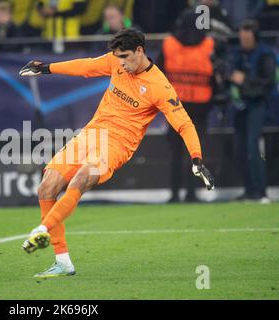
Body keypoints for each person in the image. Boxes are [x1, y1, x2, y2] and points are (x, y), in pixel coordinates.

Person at [19, 28, 215, 278]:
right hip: (91, 134)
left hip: (117, 144)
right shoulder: (116, 62)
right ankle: (63, 263)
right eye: (118, 57)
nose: (121, 63)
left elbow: (184, 124)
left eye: (125, 57)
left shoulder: (159, 86)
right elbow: (86, 67)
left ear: (140, 51)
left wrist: (197, 159)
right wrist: (45, 68)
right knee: (46, 187)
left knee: (82, 178)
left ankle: (43, 229)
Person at [158, 9, 215, 203]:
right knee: (195, 154)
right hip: (201, 108)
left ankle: (174, 194)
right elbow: (215, 78)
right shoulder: (209, 44)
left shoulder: (169, 44)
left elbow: (157, 76)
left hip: (174, 108)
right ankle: (191, 193)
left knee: (174, 153)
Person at [230, 20, 277, 203]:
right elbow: (232, 76)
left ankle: (260, 190)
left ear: (255, 37)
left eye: (247, 38)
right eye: (242, 37)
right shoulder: (239, 54)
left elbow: (269, 81)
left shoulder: (265, 54)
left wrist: (245, 79)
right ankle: (249, 189)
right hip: (240, 104)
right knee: (240, 149)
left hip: (258, 104)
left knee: (253, 148)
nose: (244, 41)